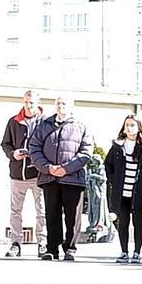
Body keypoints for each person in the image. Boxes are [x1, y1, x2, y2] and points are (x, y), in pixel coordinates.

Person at [28, 95, 94, 262]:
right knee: (51, 214)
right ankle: (52, 249)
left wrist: (66, 169)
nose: (61, 106)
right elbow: (34, 148)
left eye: (64, 103)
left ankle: (70, 248)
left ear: (72, 106)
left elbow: (86, 152)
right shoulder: (44, 125)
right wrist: (48, 168)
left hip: (73, 179)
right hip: (50, 178)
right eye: (58, 103)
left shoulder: (81, 126)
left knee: (73, 216)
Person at [103, 115, 142, 263]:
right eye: (127, 125)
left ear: (139, 127)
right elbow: (108, 164)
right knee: (123, 222)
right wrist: (113, 180)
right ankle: (123, 252)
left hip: (139, 191)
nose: (129, 128)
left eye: (133, 125)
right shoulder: (117, 146)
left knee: (138, 223)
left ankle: (137, 252)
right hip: (122, 193)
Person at [0, 90, 47, 258]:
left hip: (38, 174)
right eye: (26, 102)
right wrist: (13, 153)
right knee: (15, 211)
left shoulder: (45, 122)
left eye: (32, 102)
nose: (29, 105)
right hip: (17, 173)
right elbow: (5, 144)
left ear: (38, 102)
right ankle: (15, 243)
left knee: (41, 211)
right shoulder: (14, 121)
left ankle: (42, 243)